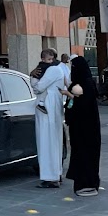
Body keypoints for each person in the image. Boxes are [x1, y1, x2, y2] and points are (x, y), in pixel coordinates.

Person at [65, 55, 101, 196]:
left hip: (86, 129)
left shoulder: (85, 84)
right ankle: (83, 182)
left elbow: (82, 105)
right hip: (81, 128)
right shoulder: (82, 82)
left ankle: (88, 184)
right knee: (81, 154)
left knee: (86, 155)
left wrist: (70, 95)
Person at [31, 49, 67, 187]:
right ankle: (55, 173)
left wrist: (32, 77)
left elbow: (38, 87)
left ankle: (50, 177)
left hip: (47, 106)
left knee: (46, 141)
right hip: (52, 106)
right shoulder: (58, 69)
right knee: (54, 141)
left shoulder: (52, 70)